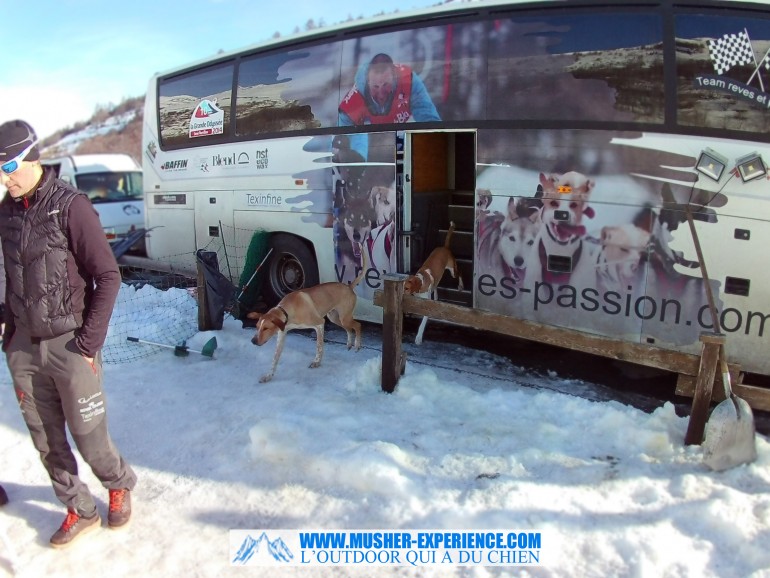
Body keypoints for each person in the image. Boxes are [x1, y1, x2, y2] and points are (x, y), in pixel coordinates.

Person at [0, 120, 137, 548]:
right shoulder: (5, 211)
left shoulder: (70, 206)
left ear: (32, 158)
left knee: (89, 434)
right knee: (46, 440)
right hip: (23, 346)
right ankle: (79, 507)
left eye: (9, 167)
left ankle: (118, 484)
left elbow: (108, 275)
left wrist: (88, 344)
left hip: (69, 343)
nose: (5, 179)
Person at [338, 53, 441, 126]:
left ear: (394, 77)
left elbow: (430, 122)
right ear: (367, 82)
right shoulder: (353, 101)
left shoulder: (409, 82)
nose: (381, 94)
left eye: (386, 85)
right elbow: (340, 143)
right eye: (375, 87)